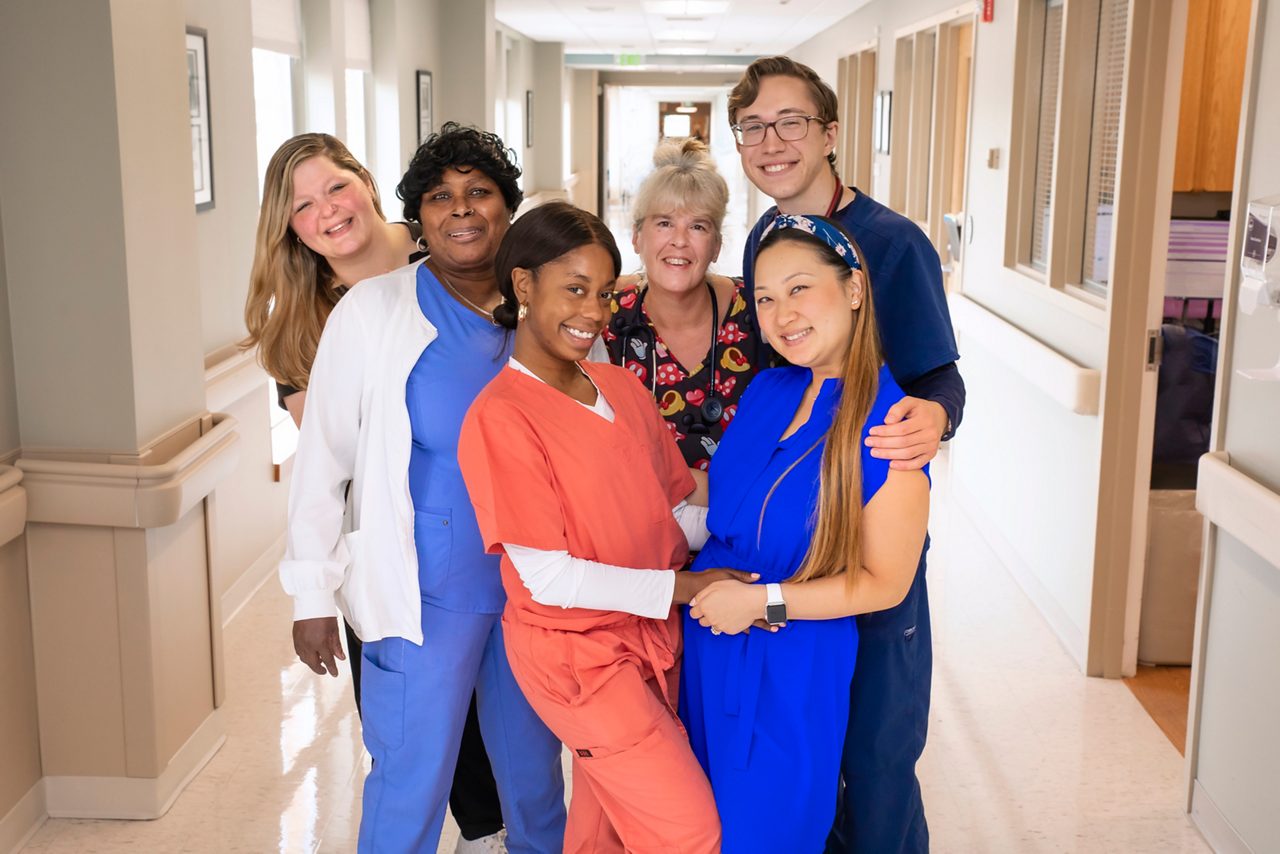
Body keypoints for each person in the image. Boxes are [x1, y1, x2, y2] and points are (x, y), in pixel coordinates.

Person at [278, 124, 565, 853]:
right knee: (410, 784)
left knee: (535, 783)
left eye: (479, 192)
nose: (460, 210)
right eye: (440, 197)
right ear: (418, 214)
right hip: (425, 590)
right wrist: (312, 595)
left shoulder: (548, 306)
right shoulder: (373, 310)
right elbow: (323, 464)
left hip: (538, 590)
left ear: (508, 207)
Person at [459, 202, 752, 854]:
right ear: (524, 286)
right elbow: (549, 577)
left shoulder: (622, 388)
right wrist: (687, 588)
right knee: (689, 830)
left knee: (605, 830)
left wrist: (761, 533)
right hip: (578, 658)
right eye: (572, 289)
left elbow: (673, 514)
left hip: (650, 637)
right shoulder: (501, 417)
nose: (592, 312)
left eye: (602, 293)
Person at [729, 56, 964, 853]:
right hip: (792, 535)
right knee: (803, 759)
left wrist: (928, 417)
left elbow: (939, 378)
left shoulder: (892, 245)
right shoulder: (767, 233)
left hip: (865, 510)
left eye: (791, 121)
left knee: (873, 757)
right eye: (753, 127)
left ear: (830, 133)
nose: (772, 141)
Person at [680, 215, 930, 853]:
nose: (781, 313)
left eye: (799, 289)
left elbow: (884, 582)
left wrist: (761, 601)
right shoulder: (769, 388)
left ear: (853, 289)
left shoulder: (889, 425)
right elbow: (737, 498)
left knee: (764, 836)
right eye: (764, 297)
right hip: (705, 649)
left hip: (788, 662)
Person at [601, 137, 770, 468]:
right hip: (637, 514)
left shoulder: (757, 311)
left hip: (742, 515)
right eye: (664, 223)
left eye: (697, 226)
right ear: (636, 237)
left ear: (717, 246)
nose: (679, 240)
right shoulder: (607, 321)